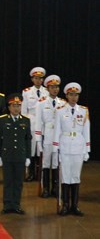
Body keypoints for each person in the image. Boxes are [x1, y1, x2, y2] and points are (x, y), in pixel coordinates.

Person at [53, 82, 90, 216]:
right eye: (71, 95)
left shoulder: (84, 110)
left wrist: (87, 149)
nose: (74, 97)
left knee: (75, 176)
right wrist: (55, 147)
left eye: (76, 95)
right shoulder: (60, 110)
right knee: (65, 177)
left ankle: (75, 205)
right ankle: (65, 205)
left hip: (78, 146)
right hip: (65, 145)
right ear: (67, 96)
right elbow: (57, 129)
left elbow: (86, 131)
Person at [0, 93, 32, 214]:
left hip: (20, 156)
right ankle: (7, 205)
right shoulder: (2, 120)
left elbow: (28, 140)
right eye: (14, 105)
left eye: (18, 105)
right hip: (7, 155)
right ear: (9, 107)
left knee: (18, 182)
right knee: (8, 181)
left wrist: (28, 156)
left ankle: (16, 204)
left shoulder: (26, 121)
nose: (16, 108)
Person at [34, 74, 65, 198]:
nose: (55, 89)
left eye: (57, 87)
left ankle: (55, 188)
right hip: (47, 136)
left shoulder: (62, 102)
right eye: (52, 87)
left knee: (56, 164)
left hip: (58, 137)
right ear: (47, 88)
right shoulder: (41, 103)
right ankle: (45, 188)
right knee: (46, 163)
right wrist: (38, 141)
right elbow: (38, 122)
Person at [21, 67, 46, 181]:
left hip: (43, 123)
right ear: (32, 79)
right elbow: (24, 110)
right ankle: (30, 173)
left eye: (40, 78)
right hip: (31, 121)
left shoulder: (46, 91)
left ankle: (40, 173)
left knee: (40, 149)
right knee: (31, 149)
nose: (38, 80)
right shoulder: (26, 92)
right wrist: (24, 124)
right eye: (36, 78)